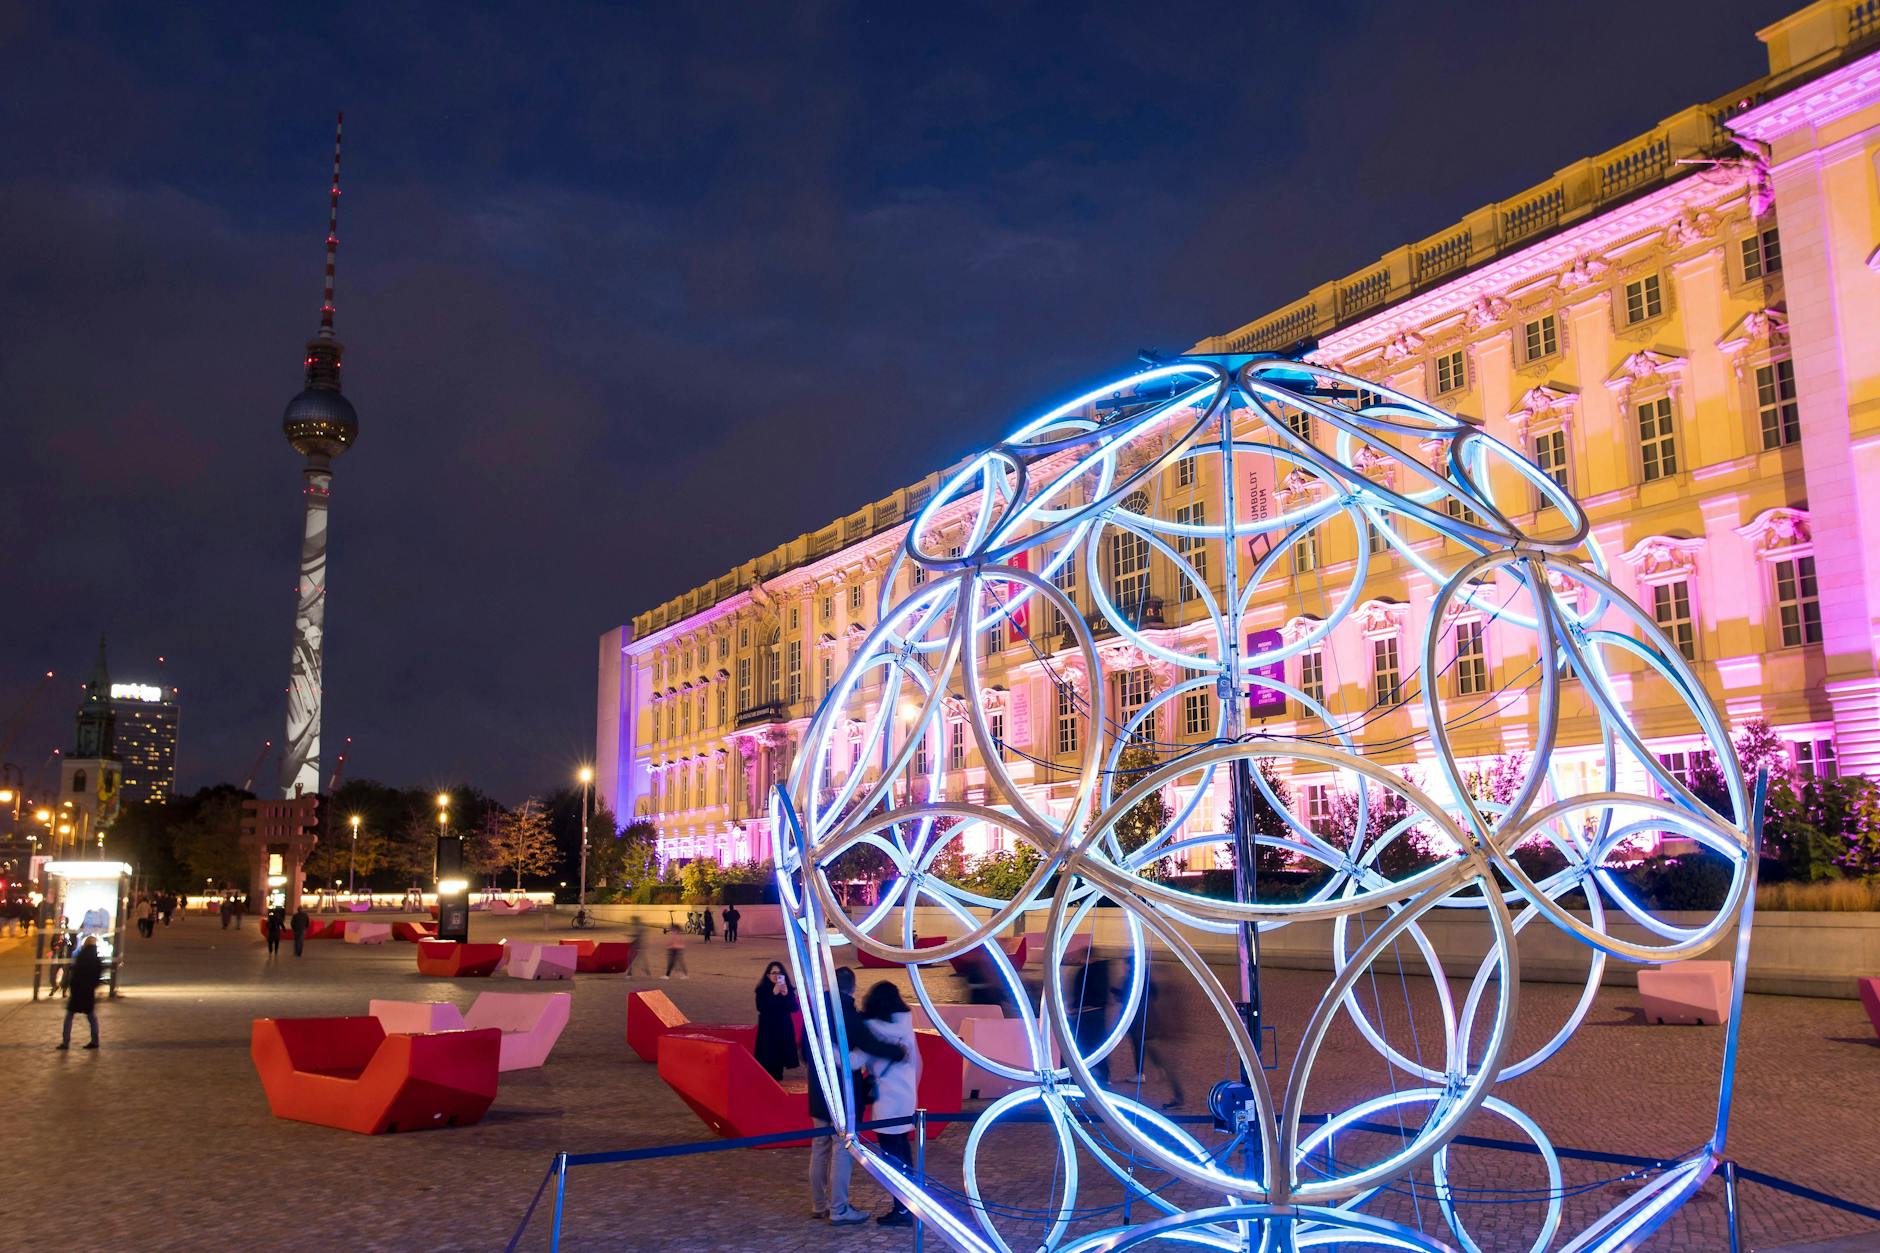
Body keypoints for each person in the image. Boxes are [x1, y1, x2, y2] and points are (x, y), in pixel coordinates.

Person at [805, 966, 905, 1225]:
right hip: (844, 1095)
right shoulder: (847, 1015)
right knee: (842, 1149)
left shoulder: (814, 1013)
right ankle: (839, 1209)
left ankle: (819, 1205)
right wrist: (898, 1052)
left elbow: (803, 1052)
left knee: (819, 1148)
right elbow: (872, 1044)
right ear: (852, 988)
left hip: (818, 1090)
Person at [859, 981, 922, 1226]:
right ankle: (912, 1204)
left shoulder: (871, 1030)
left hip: (886, 1100)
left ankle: (902, 1208)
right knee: (903, 1153)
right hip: (906, 1097)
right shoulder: (906, 1024)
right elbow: (917, 1061)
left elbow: (858, 1059)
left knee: (892, 1157)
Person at [753, 961, 799, 1080]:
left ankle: (778, 1079)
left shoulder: (787, 988)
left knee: (779, 1061)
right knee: (767, 1060)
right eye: (773, 973)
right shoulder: (762, 989)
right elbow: (761, 1007)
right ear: (768, 975)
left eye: (779, 973)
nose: (776, 976)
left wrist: (787, 995)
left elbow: (794, 1008)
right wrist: (774, 993)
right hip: (768, 1031)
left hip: (783, 1029)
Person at [58, 936, 104, 1050]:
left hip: (77, 992)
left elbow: (74, 974)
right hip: (88, 993)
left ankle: (65, 1042)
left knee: (69, 1017)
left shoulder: (81, 957)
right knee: (91, 1017)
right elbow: (97, 978)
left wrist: (71, 987)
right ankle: (95, 1041)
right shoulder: (97, 960)